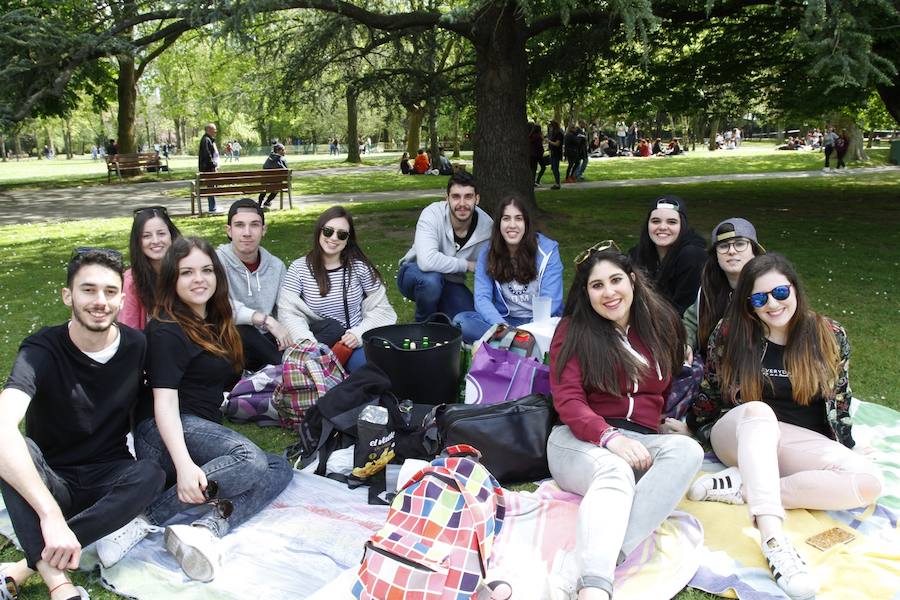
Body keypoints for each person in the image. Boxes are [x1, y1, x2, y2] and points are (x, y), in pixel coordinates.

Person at [687, 253, 883, 600]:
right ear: (749, 304)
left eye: (779, 292)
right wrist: (694, 430)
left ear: (794, 288)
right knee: (760, 414)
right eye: (759, 298)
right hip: (739, 430)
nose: (772, 304)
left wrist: (846, 447)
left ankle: (744, 486)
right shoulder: (731, 332)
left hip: (792, 441)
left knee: (867, 481)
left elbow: (839, 399)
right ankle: (774, 541)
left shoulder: (829, 335)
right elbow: (710, 394)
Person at [0, 249, 166, 600]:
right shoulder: (40, 348)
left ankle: (27, 566)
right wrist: (49, 515)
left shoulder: (137, 345)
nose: (100, 301)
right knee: (15, 450)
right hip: (51, 481)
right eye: (88, 290)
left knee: (150, 473)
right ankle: (60, 585)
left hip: (109, 477)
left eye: (109, 291)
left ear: (123, 298)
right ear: (67, 296)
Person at [548, 243, 703, 600]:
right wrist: (609, 437)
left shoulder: (660, 324)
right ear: (586, 294)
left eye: (615, 280)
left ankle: (595, 560)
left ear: (632, 280)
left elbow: (667, 386)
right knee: (615, 471)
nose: (609, 292)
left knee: (688, 453)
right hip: (578, 439)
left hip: (641, 441)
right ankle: (595, 588)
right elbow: (568, 401)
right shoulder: (572, 330)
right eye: (597, 285)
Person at [134, 237, 293, 583]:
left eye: (206, 270)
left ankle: (208, 527)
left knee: (278, 466)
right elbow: (164, 403)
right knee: (249, 459)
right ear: (172, 280)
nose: (199, 279)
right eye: (187, 272)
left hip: (198, 429)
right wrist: (184, 465)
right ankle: (146, 516)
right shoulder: (166, 328)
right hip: (162, 432)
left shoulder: (216, 321)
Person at [279, 206, 396, 370]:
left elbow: (382, 309)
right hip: (317, 342)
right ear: (319, 231)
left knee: (367, 369)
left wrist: (358, 334)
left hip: (352, 343)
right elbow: (288, 312)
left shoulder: (359, 268)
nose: (334, 238)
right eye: (328, 231)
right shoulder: (299, 269)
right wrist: (310, 347)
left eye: (341, 234)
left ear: (348, 239)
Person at [452, 194, 564, 343]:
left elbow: (552, 300)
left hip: (541, 323)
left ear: (526, 223)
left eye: (518, 218)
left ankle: (509, 344)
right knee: (462, 322)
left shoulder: (548, 251)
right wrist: (503, 327)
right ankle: (518, 345)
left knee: (568, 329)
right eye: (506, 218)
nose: (512, 225)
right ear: (499, 224)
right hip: (504, 320)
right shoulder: (487, 253)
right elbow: (481, 298)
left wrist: (529, 331)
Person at [397, 170, 493, 323]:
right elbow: (427, 262)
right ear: (447, 198)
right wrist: (468, 265)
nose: (462, 204)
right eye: (456, 196)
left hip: (451, 282)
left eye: (468, 196)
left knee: (469, 320)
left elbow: (489, 268)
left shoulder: (487, 227)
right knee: (431, 282)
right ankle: (423, 326)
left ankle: (441, 319)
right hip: (415, 273)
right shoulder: (432, 214)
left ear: (477, 199)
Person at [216, 199, 291, 371]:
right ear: (229, 230)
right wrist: (266, 320)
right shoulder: (214, 262)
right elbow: (219, 308)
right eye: (240, 225)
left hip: (269, 340)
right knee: (244, 330)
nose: (247, 233)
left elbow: (285, 309)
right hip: (232, 343)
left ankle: (278, 362)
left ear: (263, 230)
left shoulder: (276, 266)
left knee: (330, 327)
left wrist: (286, 332)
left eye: (254, 225)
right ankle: (287, 368)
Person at [683, 218, 766, 358]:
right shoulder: (707, 291)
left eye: (740, 244)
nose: (731, 251)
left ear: (754, 250)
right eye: (723, 246)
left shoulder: (768, 290)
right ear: (715, 254)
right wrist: (687, 344)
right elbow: (690, 323)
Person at [628, 196, 707, 314]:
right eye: (656, 221)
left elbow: (685, 309)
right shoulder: (637, 254)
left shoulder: (693, 256)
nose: (663, 227)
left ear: (682, 225)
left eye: (672, 222)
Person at [120, 207, 181, 331]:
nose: (155, 241)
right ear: (138, 241)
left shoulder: (187, 270)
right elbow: (130, 331)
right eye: (146, 236)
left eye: (161, 233)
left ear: (171, 235)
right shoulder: (132, 281)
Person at [257, 143, 289, 208]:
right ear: (278, 151)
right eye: (283, 150)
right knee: (277, 187)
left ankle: (259, 202)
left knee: (265, 186)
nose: (284, 151)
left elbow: (264, 168)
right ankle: (267, 202)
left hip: (265, 183)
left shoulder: (268, 159)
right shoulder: (282, 160)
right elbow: (286, 172)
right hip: (276, 185)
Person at [198, 123, 220, 213]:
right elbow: (207, 155)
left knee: (211, 187)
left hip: (208, 168)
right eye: (213, 130)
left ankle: (213, 206)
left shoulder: (208, 140)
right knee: (210, 187)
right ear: (208, 130)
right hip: (208, 169)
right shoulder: (206, 140)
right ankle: (212, 207)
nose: (215, 132)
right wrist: (213, 165)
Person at [547, 121, 564, 189]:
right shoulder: (553, 134)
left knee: (555, 168)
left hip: (556, 153)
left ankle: (557, 184)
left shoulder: (559, 134)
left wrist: (549, 141)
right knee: (554, 168)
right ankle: (557, 183)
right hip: (553, 153)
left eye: (551, 127)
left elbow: (557, 144)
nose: (550, 128)